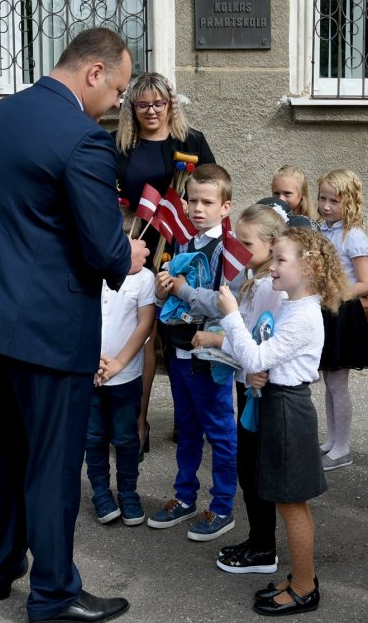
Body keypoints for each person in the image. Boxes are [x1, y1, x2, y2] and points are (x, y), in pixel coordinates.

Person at [0, 27, 147, 623]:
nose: (118, 104)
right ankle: (53, 595)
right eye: (118, 90)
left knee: (3, 447)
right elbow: (103, 247)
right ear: (93, 72)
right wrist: (129, 256)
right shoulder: (84, 140)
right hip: (46, 328)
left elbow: (13, 219)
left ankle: (0, 565)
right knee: (52, 464)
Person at [196, 227, 349, 616]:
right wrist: (254, 369)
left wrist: (231, 316)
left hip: (287, 410)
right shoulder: (290, 306)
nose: (273, 267)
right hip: (276, 404)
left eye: (281, 260)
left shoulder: (304, 314)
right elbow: (263, 356)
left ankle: (304, 587)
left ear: (309, 268)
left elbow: (257, 356)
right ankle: (300, 578)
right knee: (286, 500)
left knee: (291, 503)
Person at [114, 71, 216, 455]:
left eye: (159, 103)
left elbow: (212, 190)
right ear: (132, 108)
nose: (152, 111)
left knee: (179, 331)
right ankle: (137, 422)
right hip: (136, 245)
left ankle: (185, 417)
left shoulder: (192, 142)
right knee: (143, 333)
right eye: (143, 104)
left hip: (181, 245)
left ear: (170, 104)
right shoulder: (119, 145)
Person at [193, 204, 288, 574]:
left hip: (261, 390)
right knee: (248, 471)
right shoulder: (254, 279)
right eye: (237, 241)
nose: (239, 250)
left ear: (272, 243)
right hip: (248, 385)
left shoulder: (270, 287)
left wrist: (217, 339)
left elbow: (259, 341)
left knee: (256, 471)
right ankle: (259, 540)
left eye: (247, 244)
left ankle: (264, 548)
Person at [148, 164, 238, 542]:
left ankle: (223, 506)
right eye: (192, 200)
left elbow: (224, 304)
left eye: (207, 202)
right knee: (186, 429)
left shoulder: (230, 251)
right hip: (180, 351)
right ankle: (184, 496)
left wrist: (182, 290)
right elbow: (168, 300)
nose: (197, 208)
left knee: (220, 432)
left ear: (226, 207)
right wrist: (163, 290)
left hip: (210, 360)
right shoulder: (185, 245)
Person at [85, 206, 156, 527]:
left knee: (126, 438)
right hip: (90, 373)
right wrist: (92, 359)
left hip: (125, 375)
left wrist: (118, 364)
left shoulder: (144, 278)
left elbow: (145, 324)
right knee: (94, 437)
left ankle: (128, 492)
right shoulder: (92, 271)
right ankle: (100, 492)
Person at [316, 168, 368, 471]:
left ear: (350, 202)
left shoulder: (352, 236)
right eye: (322, 199)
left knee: (338, 383)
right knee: (328, 381)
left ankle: (343, 447)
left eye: (334, 201)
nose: (326, 206)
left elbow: (365, 282)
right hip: (323, 312)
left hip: (342, 314)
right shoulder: (319, 229)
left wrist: (335, 294)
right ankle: (331, 439)